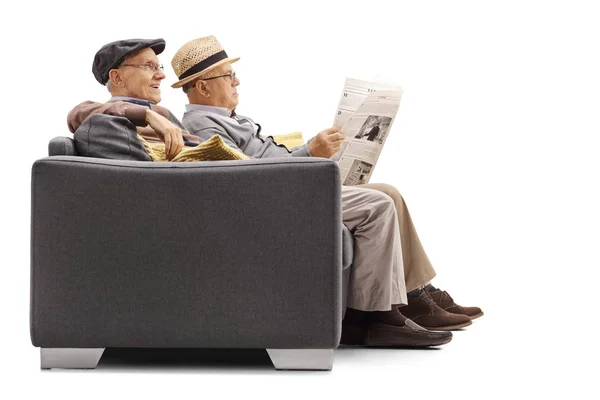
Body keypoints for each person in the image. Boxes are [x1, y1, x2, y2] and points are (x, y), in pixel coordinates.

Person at [68, 37, 482, 348]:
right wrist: (149, 118)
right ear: (116, 78)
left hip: (259, 188)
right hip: (258, 197)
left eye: (159, 65)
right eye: (148, 66)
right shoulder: (124, 117)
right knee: (376, 203)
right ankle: (380, 314)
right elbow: (81, 113)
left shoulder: (173, 116)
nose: (158, 74)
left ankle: (410, 296)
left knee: (385, 193)